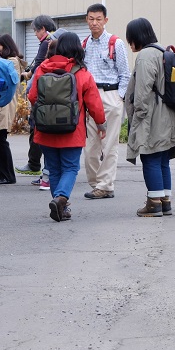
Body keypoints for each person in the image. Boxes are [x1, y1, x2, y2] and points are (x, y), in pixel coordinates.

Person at [28, 32, 106, 222]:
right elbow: (94, 103)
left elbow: (32, 96)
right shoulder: (81, 73)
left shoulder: (43, 69)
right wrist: (101, 124)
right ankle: (61, 198)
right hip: (72, 130)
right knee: (70, 167)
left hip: (45, 129)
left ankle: (60, 206)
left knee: (54, 169)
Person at [123, 18, 175, 217]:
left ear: (137, 37)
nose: (129, 43)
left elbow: (142, 92)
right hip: (169, 114)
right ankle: (165, 201)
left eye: (130, 38)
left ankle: (153, 204)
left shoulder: (145, 56)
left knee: (150, 157)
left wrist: (138, 117)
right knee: (162, 160)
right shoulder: (162, 52)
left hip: (153, 116)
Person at [82, 3, 130, 199]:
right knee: (90, 146)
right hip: (90, 97)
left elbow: (125, 74)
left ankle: (105, 185)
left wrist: (119, 97)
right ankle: (96, 184)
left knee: (109, 144)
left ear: (105, 20)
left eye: (98, 19)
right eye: (91, 19)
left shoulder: (115, 43)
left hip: (110, 94)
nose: (94, 23)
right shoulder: (84, 44)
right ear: (86, 20)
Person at [15, 15, 56, 187]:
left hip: (43, 95)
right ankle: (44, 168)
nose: (34, 34)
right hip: (55, 96)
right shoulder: (56, 40)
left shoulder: (47, 43)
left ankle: (38, 167)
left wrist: (27, 75)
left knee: (39, 131)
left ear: (43, 29)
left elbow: (39, 64)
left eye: (35, 30)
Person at [0, 34, 25, 185]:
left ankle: (8, 175)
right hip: (3, 104)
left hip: (5, 105)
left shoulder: (12, 61)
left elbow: (0, 68)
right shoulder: (9, 60)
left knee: (0, 140)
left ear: (6, 46)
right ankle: (2, 173)